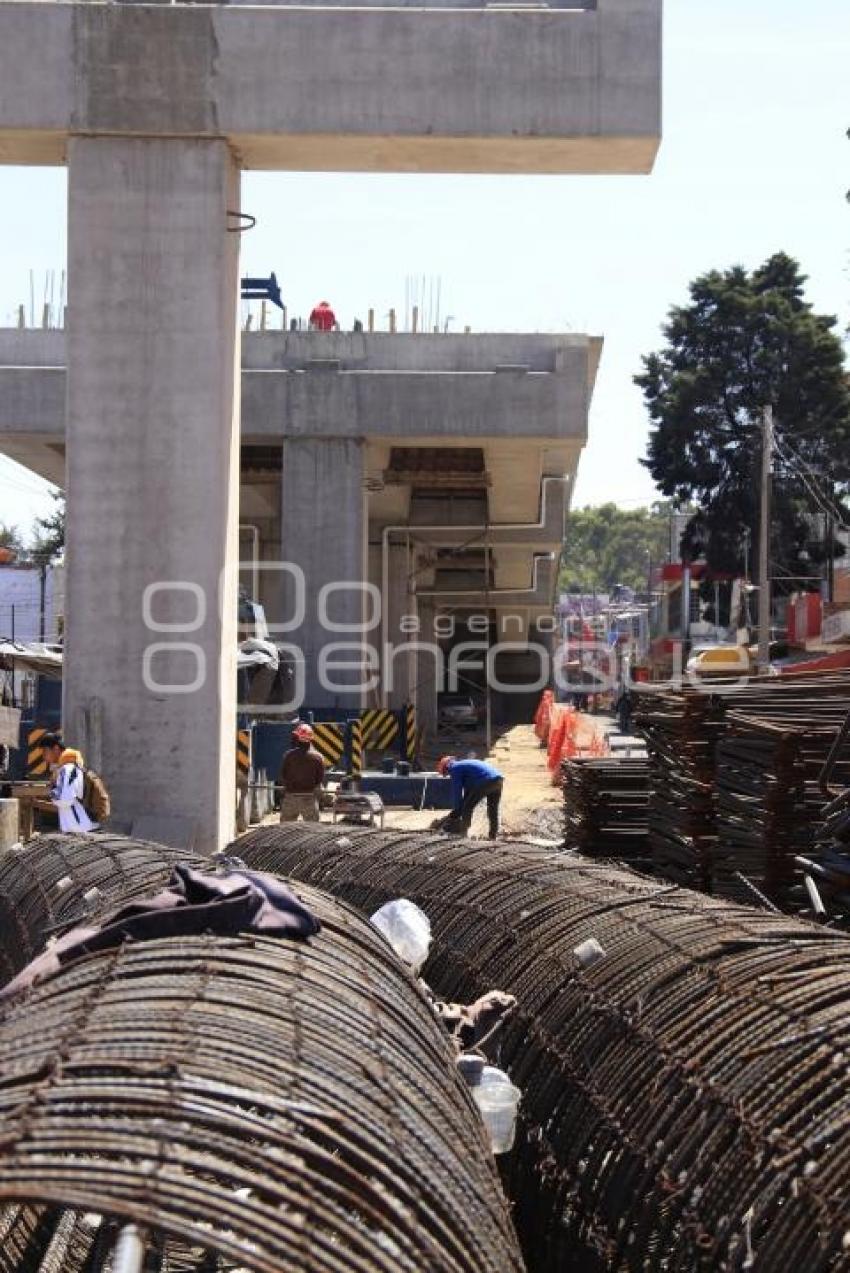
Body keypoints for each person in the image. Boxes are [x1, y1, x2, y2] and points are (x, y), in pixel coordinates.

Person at [437, 755, 504, 840]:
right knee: (493, 810)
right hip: (498, 780)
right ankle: (493, 836)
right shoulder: (463, 766)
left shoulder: (454, 768)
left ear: (446, 767)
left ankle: (463, 833)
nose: (448, 775)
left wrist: (457, 810)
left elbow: (457, 791)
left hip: (485, 781)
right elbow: (467, 793)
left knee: (467, 807)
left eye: (446, 773)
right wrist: (457, 811)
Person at [278, 724, 326, 822]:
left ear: (297, 738)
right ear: (310, 739)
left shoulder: (288, 756)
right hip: (309, 798)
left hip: (290, 797)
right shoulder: (318, 758)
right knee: (312, 831)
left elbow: (283, 775)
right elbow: (319, 779)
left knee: (286, 832)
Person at [50, 748, 98, 833]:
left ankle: (66, 829)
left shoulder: (60, 769)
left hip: (57, 798)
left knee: (65, 815)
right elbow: (78, 789)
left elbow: (55, 784)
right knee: (77, 815)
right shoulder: (76, 769)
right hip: (69, 798)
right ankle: (81, 828)